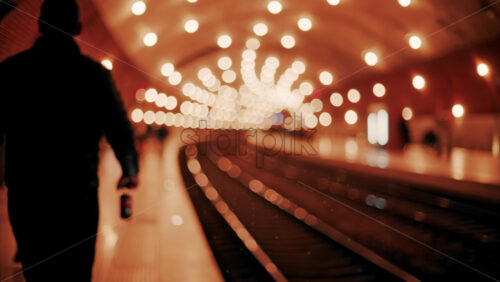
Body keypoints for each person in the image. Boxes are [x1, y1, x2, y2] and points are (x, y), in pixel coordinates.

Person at [0, 0, 139, 281]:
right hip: (78, 196)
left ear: (39, 25)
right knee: (76, 270)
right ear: (78, 27)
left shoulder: (11, 71)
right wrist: (129, 169)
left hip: (28, 195)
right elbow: (120, 129)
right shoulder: (96, 75)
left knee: (37, 268)